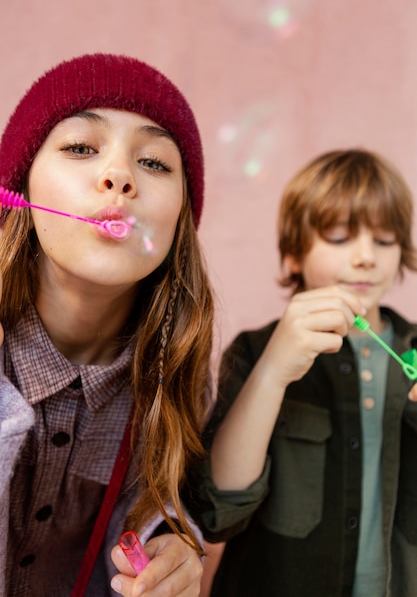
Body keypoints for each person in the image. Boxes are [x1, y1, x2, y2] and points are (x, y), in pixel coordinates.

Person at [0, 53, 214, 596]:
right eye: (80, 148)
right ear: (18, 190)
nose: (118, 176)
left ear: (180, 225)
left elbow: (159, 505)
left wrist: (173, 545)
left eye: (156, 164)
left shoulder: (175, 376)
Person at [193, 149, 417, 596]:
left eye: (385, 240)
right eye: (338, 237)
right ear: (294, 256)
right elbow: (218, 508)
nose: (365, 257)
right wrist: (273, 371)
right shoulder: (257, 352)